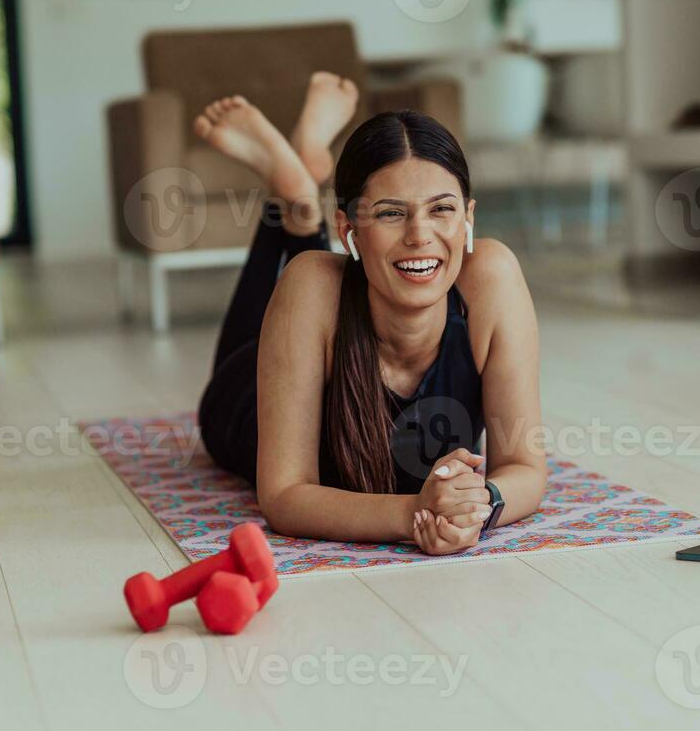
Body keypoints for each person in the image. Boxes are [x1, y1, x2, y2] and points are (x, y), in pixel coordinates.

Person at [196, 72, 545, 555]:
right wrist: (414, 514)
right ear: (349, 231)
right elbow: (283, 495)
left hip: (330, 306)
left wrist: (475, 506)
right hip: (245, 400)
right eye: (389, 213)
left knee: (327, 275)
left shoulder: (491, 278)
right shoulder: (309, 287)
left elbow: (525, 468)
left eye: (441, 209)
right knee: (300, 281)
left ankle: (296, 189)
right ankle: (295, 207)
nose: (420, 235)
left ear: (468, 218)